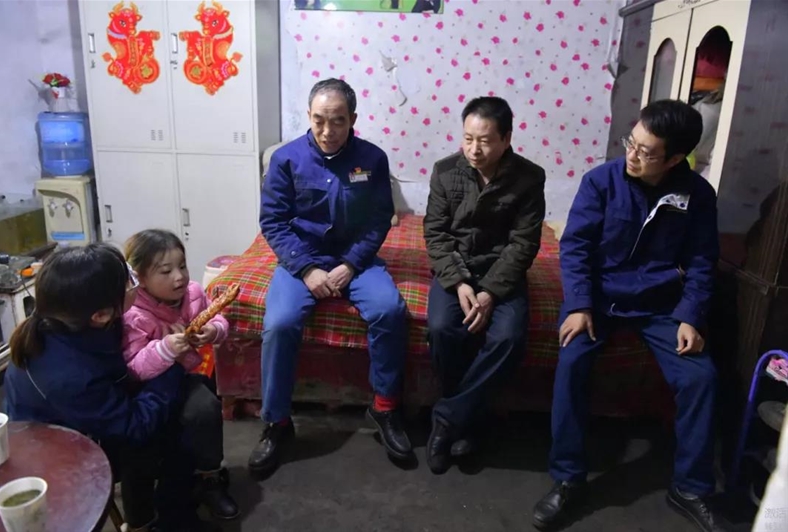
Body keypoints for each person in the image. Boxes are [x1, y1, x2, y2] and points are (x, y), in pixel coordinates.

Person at [532, 100, 722, 532]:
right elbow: (575, 248)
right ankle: (568, 478)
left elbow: (702, 260)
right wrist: (579, 305)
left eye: (645, 151)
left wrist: (691, 315)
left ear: (674, 158)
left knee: (702, 378)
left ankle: (690, 487)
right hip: (600, 298)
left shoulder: (697, 195)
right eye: (630, 143)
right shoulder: (601, 181)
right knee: (572, 362)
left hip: (661, 303)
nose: (631, 155)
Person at [250, 78, 410, 476]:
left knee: (389, 310)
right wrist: (306, 269)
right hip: (301, 260)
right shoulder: (285, 160)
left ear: (352, 119)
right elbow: (273, 222)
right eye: (319, 120)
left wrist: (351, 263)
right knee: (280, 323)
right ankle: (277, 422)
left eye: (337, 120)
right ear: (308, 115)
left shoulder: (372, 159)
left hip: (355, 260)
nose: (327, 130)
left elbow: (379, 219)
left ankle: (385, 408)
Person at [3, 244, 212, 532]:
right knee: (176, 432)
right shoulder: (69, 375)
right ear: (101, 314)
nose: (135, 283)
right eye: (129, 280)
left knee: (198, 398)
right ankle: (158, 520)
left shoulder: (76, 321)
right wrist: (171, 362)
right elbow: (133, 425)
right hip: (64, 454)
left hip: (100, 412)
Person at [423, 96, 546, 474]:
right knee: (441, 328)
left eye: (485, 141)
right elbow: (436, 234)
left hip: (501, 274)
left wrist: (490, 292)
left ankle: (448, 419)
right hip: (456, 270)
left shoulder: (529, 178)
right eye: (468, 139)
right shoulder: (445, 171)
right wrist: (459, 282)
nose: (475, 149)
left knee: (509, 337)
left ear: (507, 139)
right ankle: (469, 422)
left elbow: (523, 244)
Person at [123, 229, 239, 521]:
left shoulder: (194, 294)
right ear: (140, 277)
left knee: (206, 408)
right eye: (166, 271)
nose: (179, 277)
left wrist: (212, 330)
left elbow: (218, 317)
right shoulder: (134, 314)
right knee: (163, 437)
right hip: (150, 388)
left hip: (186, 376)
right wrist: (164, 349)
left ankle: (210, 476)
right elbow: (133, 367)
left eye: (182, 266)